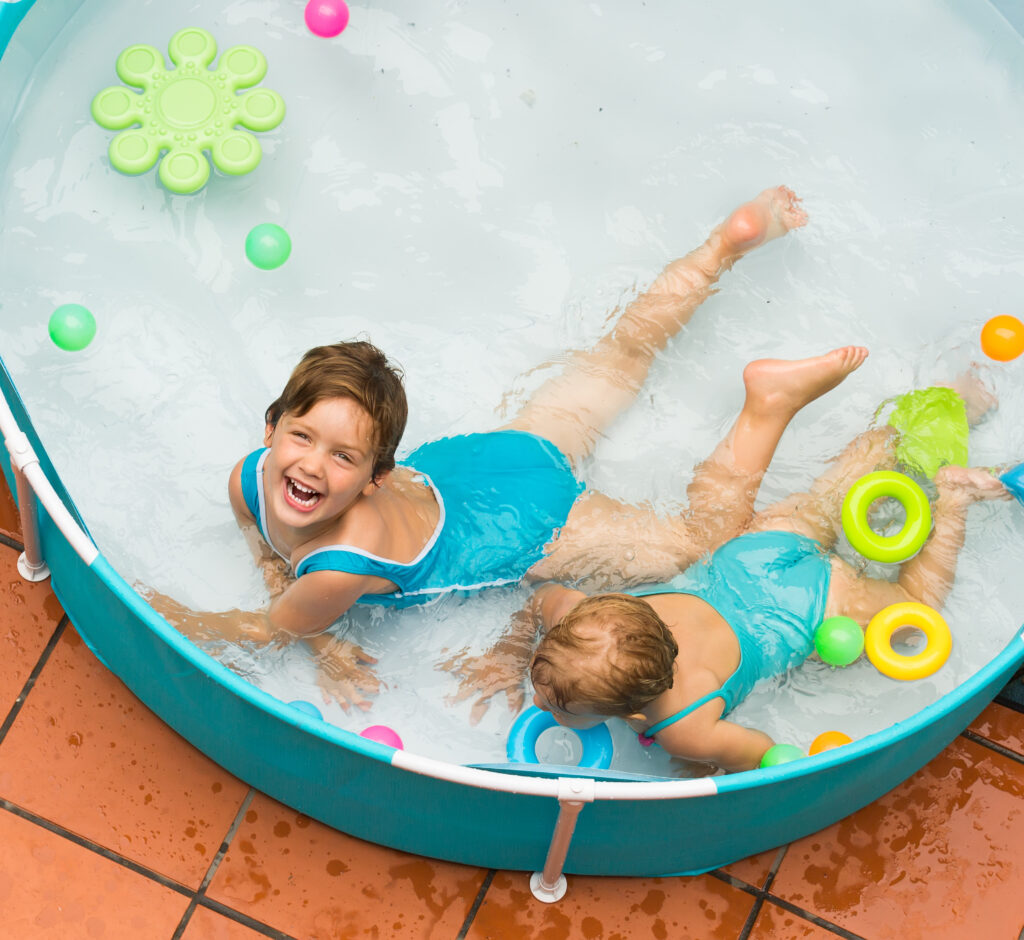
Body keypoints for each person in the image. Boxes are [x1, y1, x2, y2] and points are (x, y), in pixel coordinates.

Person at [151, 186, 869, 708]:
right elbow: (263, 542)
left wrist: (168, 614)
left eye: (341, 457)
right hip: (490, 459)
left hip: (532, 530)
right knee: (618, 357)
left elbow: (267, 632)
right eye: (301, 437)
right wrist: (282, 578)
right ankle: (719, 250)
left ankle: (767, 408)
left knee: (697, 542)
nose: (308, 463)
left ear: (375, 477)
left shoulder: (336, 569)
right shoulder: (249, 481)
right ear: (270, 427)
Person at [516, 446, 1012, 773]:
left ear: (630, 714)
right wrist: (513, 649)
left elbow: (760, 758)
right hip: (755, 553)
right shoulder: (579, 614)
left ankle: (954, 498)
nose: (538, 703)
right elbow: (542, 601)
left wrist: (695, 764)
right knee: (827, 497)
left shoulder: (685, 730)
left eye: (555, 705)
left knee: (913, 611)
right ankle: (889, 436)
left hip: (809, 606)